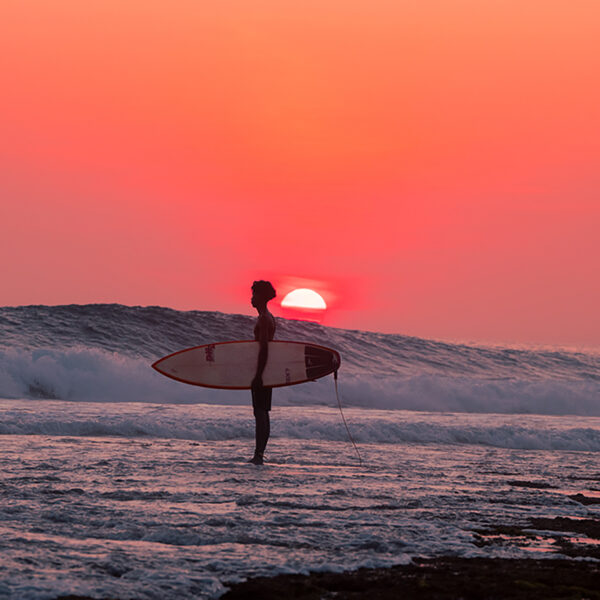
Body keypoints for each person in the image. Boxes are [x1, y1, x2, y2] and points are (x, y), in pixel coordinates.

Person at [248, 280, 277, 465]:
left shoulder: (264, 319)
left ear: (260, 296)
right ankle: (259, 453)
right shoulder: (269, 317)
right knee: (263, 412)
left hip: (263, 372)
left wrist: (258, 375)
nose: (251, 297)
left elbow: (264, 348)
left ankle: (258, 455)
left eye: (254, 294)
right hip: (268, 371)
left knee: (260, 412)